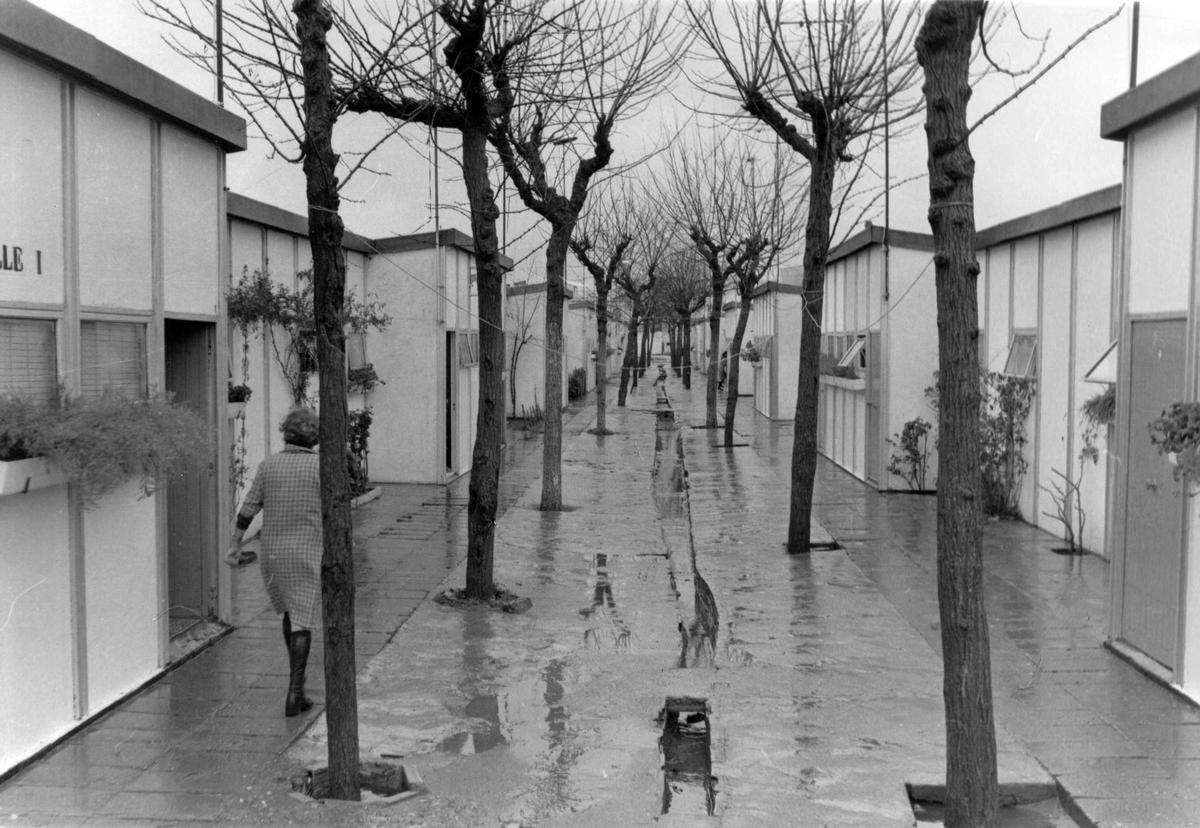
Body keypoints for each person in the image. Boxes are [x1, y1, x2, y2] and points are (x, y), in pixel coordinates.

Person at [231, 407, 322, 717]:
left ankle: (299, 687)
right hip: (307, 552)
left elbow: (249, 508)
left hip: (273, 554)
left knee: (289, 611)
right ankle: (295, 693)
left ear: (286, 433)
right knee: (303, 619)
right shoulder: (320, 467)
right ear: (314, 436)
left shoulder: (269, 466)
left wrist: (234, 543)